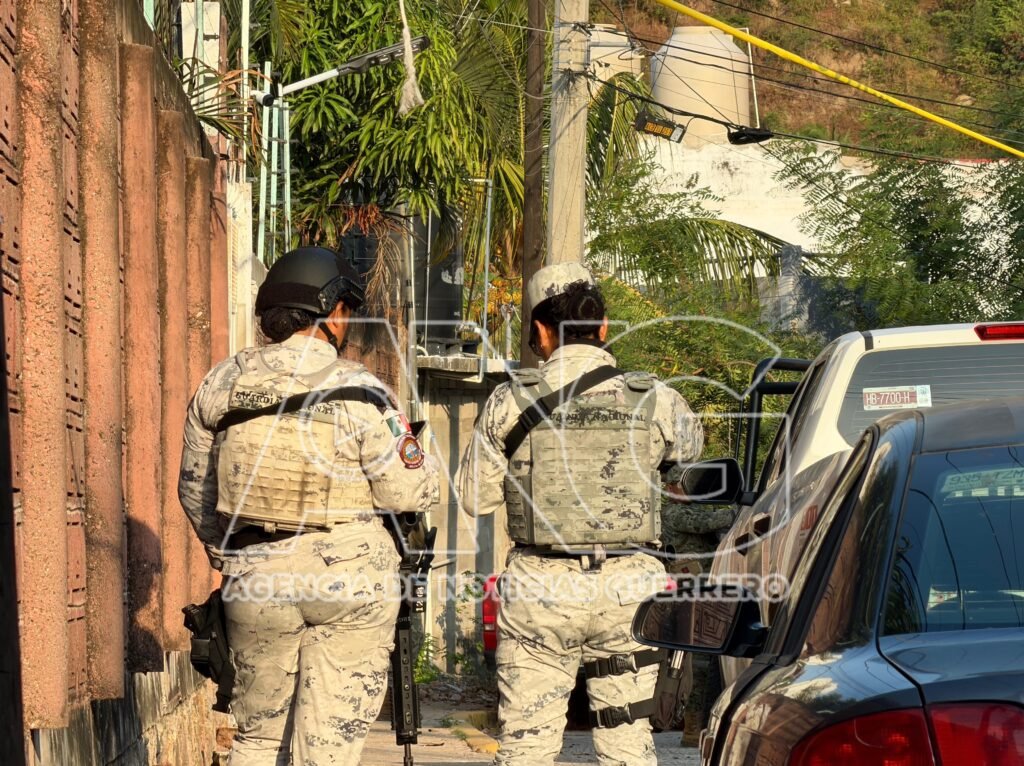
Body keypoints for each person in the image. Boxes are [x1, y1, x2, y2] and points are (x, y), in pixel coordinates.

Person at [178, 246, 438, 766]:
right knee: (327, 748)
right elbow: (406, 492)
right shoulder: (363, 390)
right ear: (333, 313)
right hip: (351, 581)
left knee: (256, 740)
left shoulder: (221, 383)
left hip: (256, 579)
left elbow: (195, 490)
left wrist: (234, 556)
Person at [456, 263, 704, 766]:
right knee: (629, 745)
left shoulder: (509, 401)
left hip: (542, 590)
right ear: (603, 327)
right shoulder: (656, 398)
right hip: (628, 592)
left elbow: (475, 499)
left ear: (541, 330)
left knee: (527, 747)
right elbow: (688, 463)